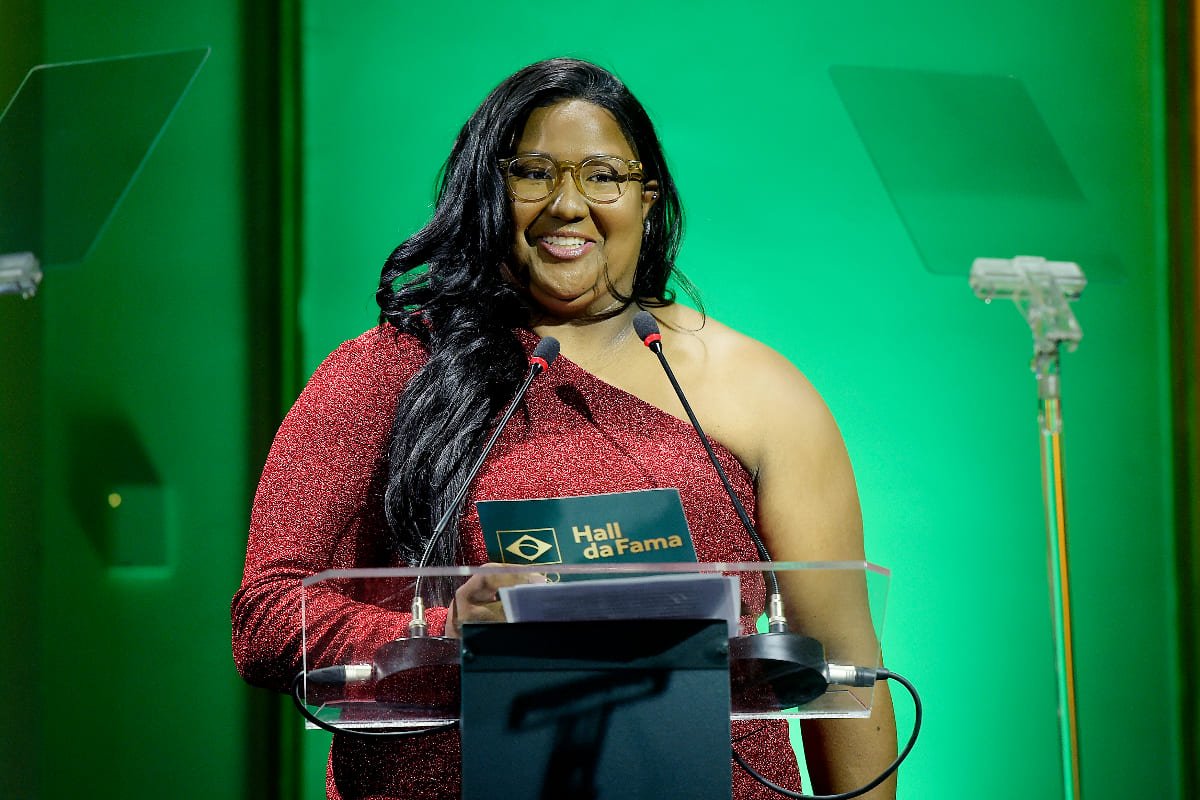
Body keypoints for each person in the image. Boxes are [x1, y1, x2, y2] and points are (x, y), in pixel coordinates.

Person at [232, 57, 897, 799]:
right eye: (533, 173)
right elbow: (266, 616)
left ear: (648, 197)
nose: (568, 204)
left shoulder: (760, 390)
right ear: (488, 189)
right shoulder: (386, 371)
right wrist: (436, 635)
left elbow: (841, 654)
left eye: (603, 175)